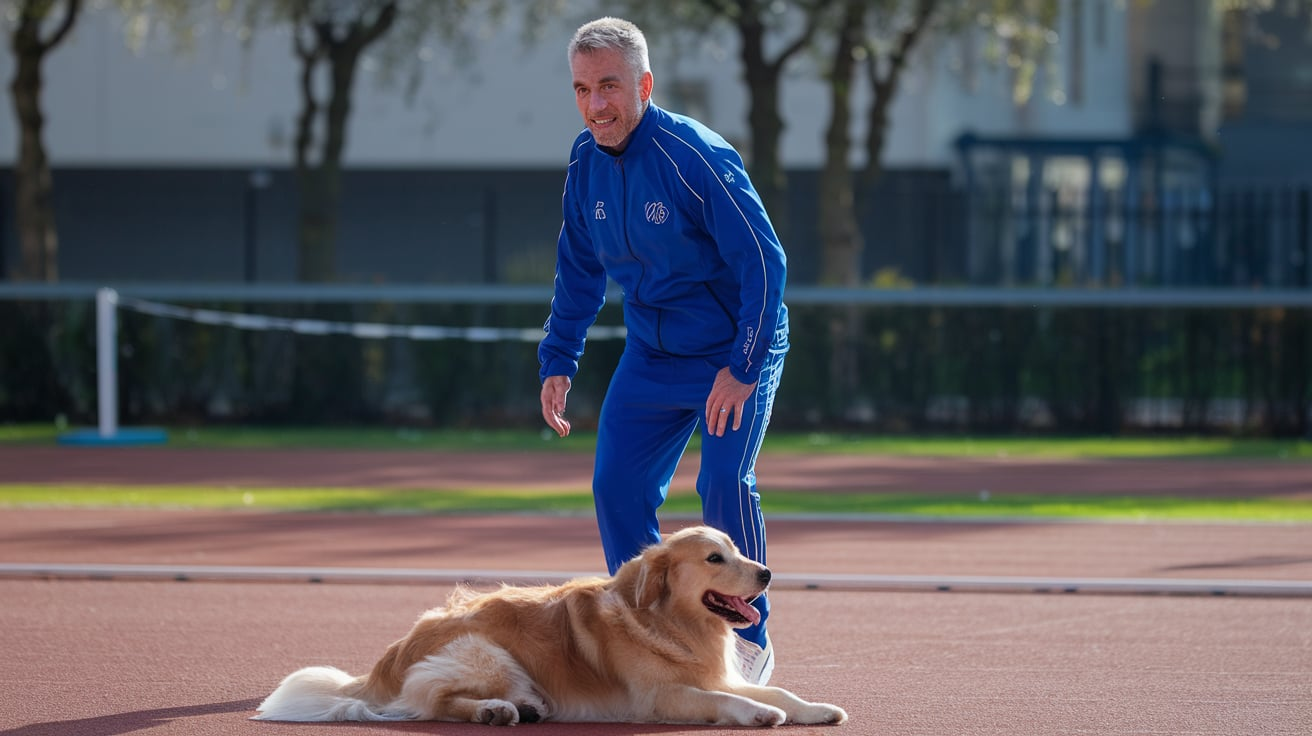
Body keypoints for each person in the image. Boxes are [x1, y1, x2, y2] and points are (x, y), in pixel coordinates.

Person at [537, 17, 789, 686]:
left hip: (731, 348)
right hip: (652, 355)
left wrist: (742, 367)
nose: (597, 105)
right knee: (616, 488)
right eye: (583, 89)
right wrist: (560, 358)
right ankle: (646, 636)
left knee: (723, 485)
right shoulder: (584, 161)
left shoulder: (693, 155)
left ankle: (748, 642)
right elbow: (579, 269)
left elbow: (763, 262)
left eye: (611, 86)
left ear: (644, 85)